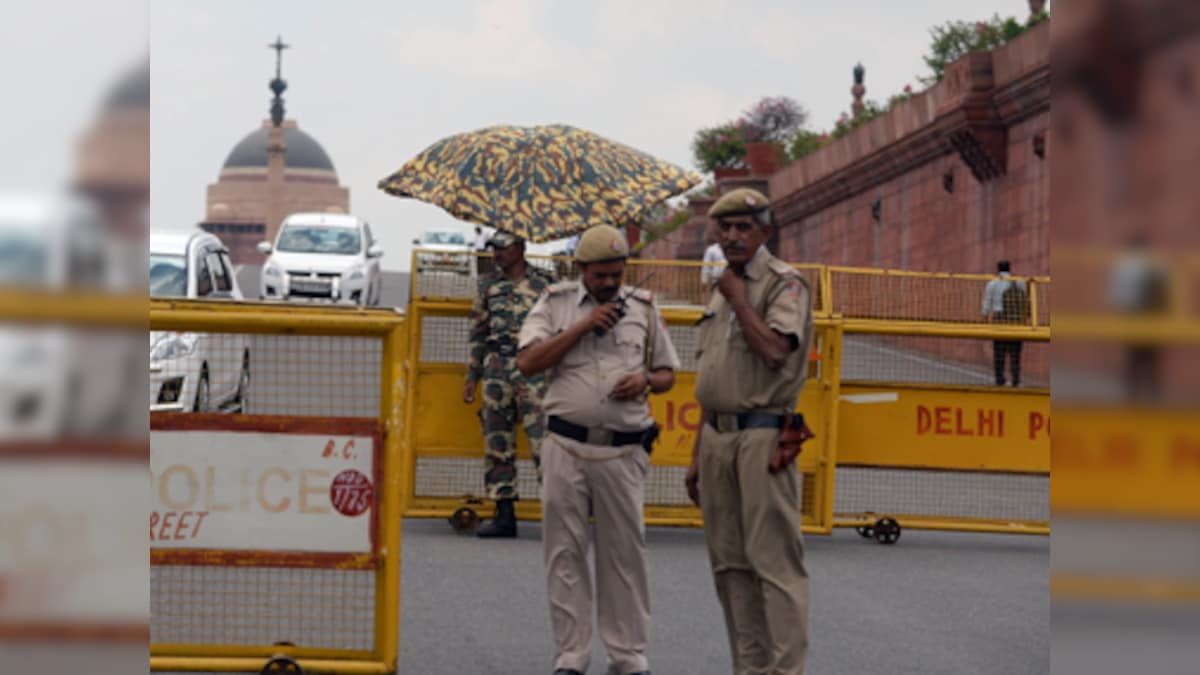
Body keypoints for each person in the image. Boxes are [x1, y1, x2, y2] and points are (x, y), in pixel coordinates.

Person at [517, 224, 680, 675]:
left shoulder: (644, 310)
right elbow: (528, 362)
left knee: (624, 555)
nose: (611, 282)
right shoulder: (554, 304)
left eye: (617, 273)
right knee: (564, 554)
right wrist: (582, 326)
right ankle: (571, 656)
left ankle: (628, 656)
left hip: (623, 453)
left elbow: (668, 373)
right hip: (566, 447)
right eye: (601, 274)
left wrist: (646, 380)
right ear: (581, 268)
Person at [685, 188, 815, 675]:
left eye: (745, 227)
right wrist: (698, 454)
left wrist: (741, 302)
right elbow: (715, 380)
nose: (734, 236)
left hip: (762, 437)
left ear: (765, 231)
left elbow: (776, 351)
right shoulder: (721, 289)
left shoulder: (784, 284)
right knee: (730, 568)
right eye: (726, 227)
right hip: (718, 437)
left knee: (775, 567)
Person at [463, 231, 556, 538]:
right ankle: (504, 514)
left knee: (545, 443)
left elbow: (560, 329)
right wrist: (472, 377)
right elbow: (478, 332)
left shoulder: (546, 283)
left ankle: (559, 515)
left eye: (503, 248)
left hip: (535, 369)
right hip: (497, 368)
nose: (497, 254)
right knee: (497, 442)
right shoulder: (488, 285)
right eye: (494, 249)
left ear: (521, 247)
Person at [981, 260, 1029, 386]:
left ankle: (999, 379)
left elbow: (987, 304)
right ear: (1009, 268)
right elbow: (1025, 300)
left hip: (1000, 320)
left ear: (998, 269)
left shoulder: (992, 284)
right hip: (1016, 321)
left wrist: (984, 318)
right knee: (1015, 352)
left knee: (999, 352)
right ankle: (1015, 379)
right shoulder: (1020, 282)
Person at [700, 229, 727, 304]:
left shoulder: (734, 248)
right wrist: (704, 281)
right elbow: (706, 267)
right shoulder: (712, 250)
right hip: (716, 282)